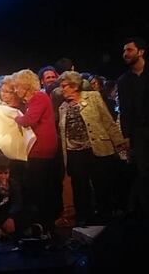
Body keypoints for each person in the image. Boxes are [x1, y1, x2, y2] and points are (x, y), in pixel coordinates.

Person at [58, 71, 126, 225]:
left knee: (101, 183)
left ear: (74, 86)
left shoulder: (93, 97)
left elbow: (107, 120)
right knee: (80, 186)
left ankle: (105, 216)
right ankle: (84, 217)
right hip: (74, 153)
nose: (62, 89)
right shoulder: (62, 107)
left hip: (96, 148)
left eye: (64, 86)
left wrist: (119, 142)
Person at [12, 69, 59, 232]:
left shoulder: (39, 97)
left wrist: (14, 118)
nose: (15, 90)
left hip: (41, 149)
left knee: (38, 187)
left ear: (25, 86)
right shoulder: (34, 100)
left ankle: (44, 223)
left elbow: (28, 120)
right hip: (40, 148)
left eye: (17, 87)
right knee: (38, 187)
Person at [0, 153, 40, 239]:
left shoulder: (13, 183)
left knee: (31, 209)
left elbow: (17, 202)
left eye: (6, 173)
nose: (3, 177)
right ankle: (14, 230)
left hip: (9, 214)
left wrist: (11, 218)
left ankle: (9, 230)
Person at [117, 37, 149, 178]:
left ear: (140, 52)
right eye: (124, 51)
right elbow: (125, 110)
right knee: (143, 172)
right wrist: (126, 136)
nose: (125, 54)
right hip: (138, 133)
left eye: (129, 50)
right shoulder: (123, 81)